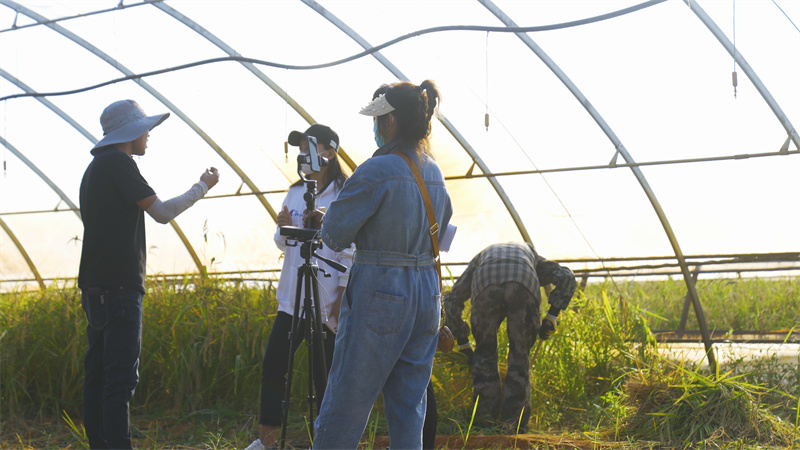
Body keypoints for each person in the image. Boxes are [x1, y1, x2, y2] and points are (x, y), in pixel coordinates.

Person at [304, 80, 453, 449]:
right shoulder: (434, 172)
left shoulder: (376, 169)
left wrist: (325, 220)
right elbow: (441, 227)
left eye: (378, 120)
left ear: (389, 122)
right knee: (408, 410)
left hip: (382, 291)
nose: (374, 128)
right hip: (426, 296)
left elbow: (336, 234)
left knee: (345, 403)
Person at [78, 99, 219, 449]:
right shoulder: (118, 162)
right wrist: (202, 186)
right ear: (132, 133)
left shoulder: (95, 167)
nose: (149, 136)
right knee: (120, 382)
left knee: (97, 379)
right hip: (120, 288)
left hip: (95, 287)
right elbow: (161, 212)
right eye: (146, 130)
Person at [246, 124, 353, 450]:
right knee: (274, 367)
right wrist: (283, 227)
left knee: (326, 378)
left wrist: (340, 303)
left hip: (326, 300)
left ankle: (327, 442)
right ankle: (266, 443)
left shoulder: (344, 193)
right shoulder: (295, 191)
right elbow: (284, 241)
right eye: (301, 149)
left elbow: (350, 250)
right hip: (292, 298)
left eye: (310, 147)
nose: (303, 155)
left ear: (329, 152)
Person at [443, 242, 576, 434]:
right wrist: (551, 316)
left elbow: (451, 300)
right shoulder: (532, 257)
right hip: (524, 283)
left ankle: (483, 424)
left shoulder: (481, 257)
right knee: (519, 358)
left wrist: (464, 343)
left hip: (484, 283)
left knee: (485, 356)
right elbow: (566, 276)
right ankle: (513, 426)